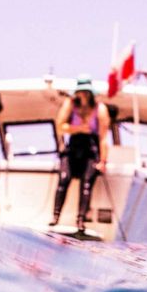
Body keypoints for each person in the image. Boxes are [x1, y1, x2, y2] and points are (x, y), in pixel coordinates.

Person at [50, 75, 111, 232]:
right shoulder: (70, 104)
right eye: (80, 91)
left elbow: (104, 137)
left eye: (85, 92)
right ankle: (55, 217)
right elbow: (59, 126)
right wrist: (77, 128)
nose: (82, 95)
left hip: (91, 150)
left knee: (86, 183)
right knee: (64, 178)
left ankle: (80, 220)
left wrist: (103, 161)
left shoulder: (100, 109)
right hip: (73, 148)